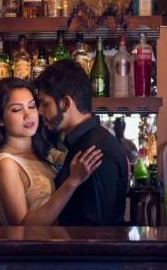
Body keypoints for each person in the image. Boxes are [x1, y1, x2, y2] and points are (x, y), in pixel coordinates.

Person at [0, 78, 103, 226]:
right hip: (33, 249)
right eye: (17, 109)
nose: (28, 115)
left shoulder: (45, 155)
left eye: (31, 106)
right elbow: (23, 227)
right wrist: (72, 182)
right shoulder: (5, 164)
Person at [34, 59, 129, 226]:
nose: (39, 111)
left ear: (66, 103)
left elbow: (95, 232)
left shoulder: (95, 151)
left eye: (44, 103)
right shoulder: (85, 143)